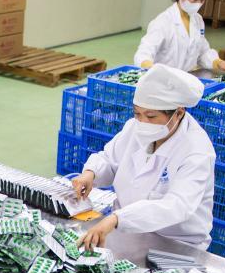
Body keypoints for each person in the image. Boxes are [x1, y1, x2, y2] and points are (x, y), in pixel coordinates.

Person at [73, 64, 216, 249]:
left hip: (175, 242)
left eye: (151, 116)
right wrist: (91, 174)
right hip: (126, 231)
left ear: (179, 113)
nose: (142, 122)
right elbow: (109, 160)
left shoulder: (196, 151)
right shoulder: (135, 127)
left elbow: (177, 206)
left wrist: (117, 219)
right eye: (137, 113)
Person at [134, 0, 225, 75]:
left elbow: (202, 52)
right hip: (164, 79)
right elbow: (143, 54)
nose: (199, 3)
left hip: (187, 77)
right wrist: (151, 68)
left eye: (202, 0)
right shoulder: (163, 22)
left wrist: (218, 62)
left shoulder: (197, 20)